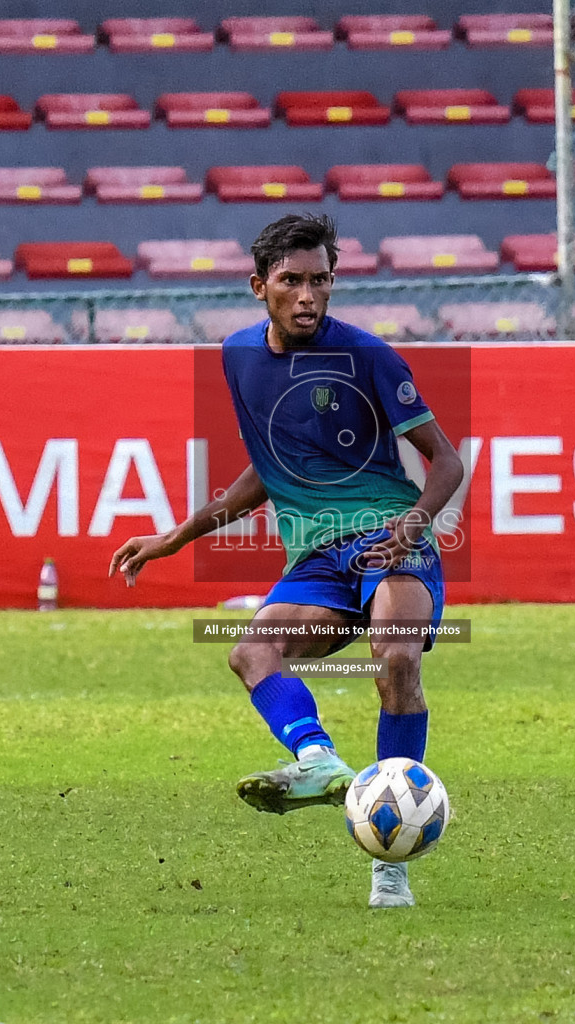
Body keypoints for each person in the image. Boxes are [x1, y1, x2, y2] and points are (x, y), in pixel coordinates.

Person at [108, 213, 463, 909]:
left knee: (395, 660)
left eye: (320, 280)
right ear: (258, 286)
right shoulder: (239, 358)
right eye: (291, 281)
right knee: (251, 652)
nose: (308, 295)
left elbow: (445, 461)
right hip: (318, 557)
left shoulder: (369, 357)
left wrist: (414, 523)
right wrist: (177, 537)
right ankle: (320, 761)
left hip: (390, 541)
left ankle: (390, 859)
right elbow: (268, 470)